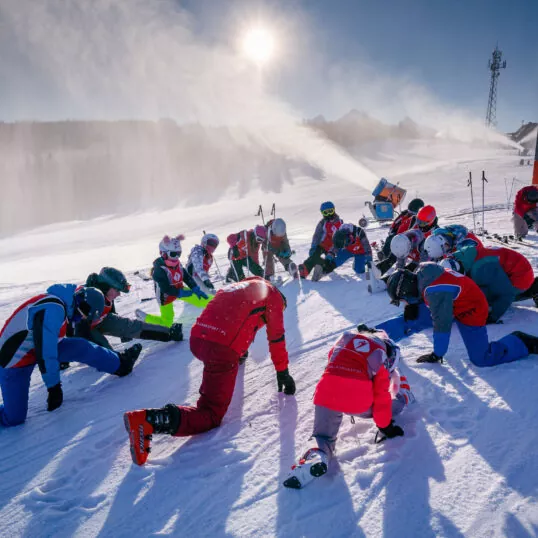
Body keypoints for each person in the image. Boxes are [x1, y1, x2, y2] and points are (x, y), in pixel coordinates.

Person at [124, 277, 296, 465]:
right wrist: (283, 372)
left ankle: (153, 419)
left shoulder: (247, 285)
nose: (265, 322)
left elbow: (238, 314)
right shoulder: (275, 300)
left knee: (218, 365)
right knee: (211, 413)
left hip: (198, 338)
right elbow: (276, 338)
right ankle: (149, 420)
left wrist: (240, 350)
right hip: (220, 347)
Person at [283, 326, 411, 489]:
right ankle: (404, 397)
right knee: (391, 403)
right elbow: (381, 399)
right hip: (357, 400)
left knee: (323, 436)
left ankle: (315, 457)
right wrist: (386, 427)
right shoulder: (381, 356)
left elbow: (333, 360)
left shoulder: (345, 339)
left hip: (326, 392)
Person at [0, 285, 142, 427]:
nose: (81, 319)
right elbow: (45, 352)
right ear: (82, 306)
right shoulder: (54, 309)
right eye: (83, 316)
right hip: (14, 359)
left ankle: (121, 364)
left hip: (34, 348)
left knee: (81, 347)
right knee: (14, 418)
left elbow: (47, 343)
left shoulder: (67, 303)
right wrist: (54, 387)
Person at [379, 263, 538, 367]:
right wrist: (415, 304)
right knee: (412, 318)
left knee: (482, 358)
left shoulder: (435, 292)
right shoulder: (423, 272)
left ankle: (521, 342)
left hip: (471, 310)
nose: (405, 302)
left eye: (404, 299)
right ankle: (377, 336)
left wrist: (437, 354)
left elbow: (442, 326)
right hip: (454, 302)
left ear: (407, 291)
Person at [77, 267, 184, 349]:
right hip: (81, 331)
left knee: (130, 326)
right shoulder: (85, 298)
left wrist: (122, 331)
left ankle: (169, 332)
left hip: (98, 321)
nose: (119, 294)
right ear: (106, 286)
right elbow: (77, 329)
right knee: (106, 353)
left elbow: (113, 315)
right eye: (117, 290)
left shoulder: (104, 294)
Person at [135, 235, 209, 327]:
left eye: (179, 253)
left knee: (203, 299)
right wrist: (181, 293)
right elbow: (165, 289)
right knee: (167, 322)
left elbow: (186, 276)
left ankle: (219, 305)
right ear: (163, 253)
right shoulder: (159, 270)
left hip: (179, 289)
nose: (176, 257)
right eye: (173, 254)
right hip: (165, 296)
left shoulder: (177, 263)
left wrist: (195, 288)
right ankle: (144, 318)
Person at [452, 243, 538, 322]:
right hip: (509, 270)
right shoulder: (460, 256)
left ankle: (533, 289)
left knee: (479, 296)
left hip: (521, 278)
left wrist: (493, 316)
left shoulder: (481, 269)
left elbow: (506, 294)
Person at [298, 201, 343, 280]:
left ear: (334, 210)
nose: (329, 214)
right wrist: (314, 246)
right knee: (314, 256)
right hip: (322, 245)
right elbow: (317, 235)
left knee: (330, 261)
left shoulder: (340, 223)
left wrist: (333, 252)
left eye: (330, 211)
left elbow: (340, 240)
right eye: (326, 213)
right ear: (322, 213)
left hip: (333, 248)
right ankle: (305, 269)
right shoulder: (322, 223)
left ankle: (322, 270)